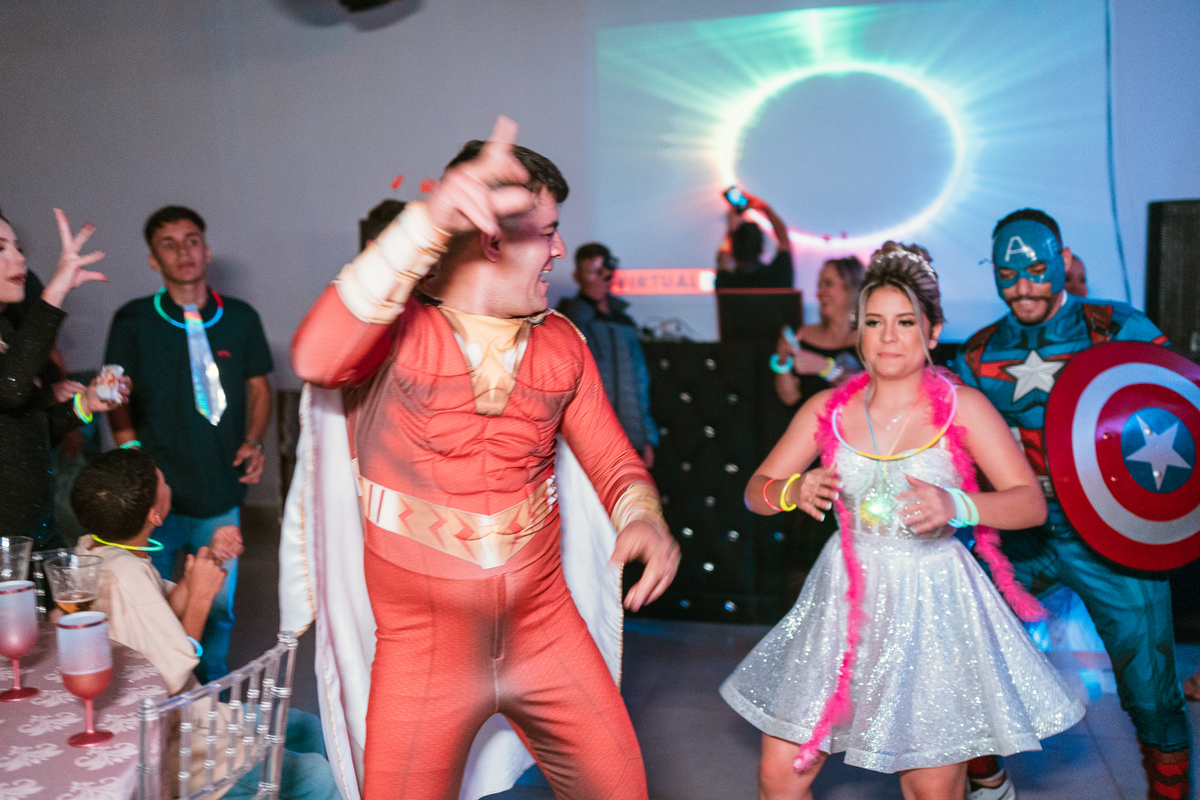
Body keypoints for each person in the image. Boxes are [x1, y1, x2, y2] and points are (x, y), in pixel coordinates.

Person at [290, 117, 680, 800]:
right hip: (423, 652)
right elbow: (316, 357)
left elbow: (616, 463)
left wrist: (643, 516)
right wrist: (429, 219)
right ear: (493, 237)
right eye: (549, 231)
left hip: (546, 632)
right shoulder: (393, 334)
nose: (559, 250)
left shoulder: (563, 343)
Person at [720, 242, 1083, 800]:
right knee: (780, 775)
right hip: (842, 601)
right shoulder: (826, 411)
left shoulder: (964, 407)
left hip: (933, 602)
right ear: (859, 333)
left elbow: (1029, 503)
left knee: (930, 789)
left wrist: (958, 506)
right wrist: (792, 489)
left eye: (905, 322)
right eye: (874, 322)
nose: (888, 336)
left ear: (932, 333)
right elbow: (754, 492)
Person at [955, 208, 1188, 800]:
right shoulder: (979, 354)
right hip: (1017, 530)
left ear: (1062, 260)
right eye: (1007, 275)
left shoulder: (1115, 326)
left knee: (1152, 690)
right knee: (957, 658)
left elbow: (1178, 406)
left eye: (1036, 269)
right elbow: (952, 446)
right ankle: (987, 783)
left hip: (1111, 529)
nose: (1023, 287)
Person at [70, 448, 338, 800]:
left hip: (195, 716)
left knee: (306, 727)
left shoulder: (97, 550)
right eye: (163, 481)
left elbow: (157, 614)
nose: (168, 484)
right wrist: (200, 598)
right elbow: (167, 678)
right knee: (320, 778)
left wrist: (206, 562)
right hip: (180, 746)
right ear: (155, 515)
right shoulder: (125, 577)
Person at [104, 205, 273, 684]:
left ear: (207, 250)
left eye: (192, 240)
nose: (184, 252)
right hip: (153, 497)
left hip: (219, 489)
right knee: (149, 607)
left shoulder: (240, 317)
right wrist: (132, 454)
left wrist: (254, 440)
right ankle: (154, 701)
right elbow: (115, 393)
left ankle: (211, 699)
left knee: (216, 608)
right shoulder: (134, 319)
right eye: (169, 244)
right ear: (153, 259)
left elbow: (259, 387)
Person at [0, 208, 129, 549]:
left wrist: (85, 404)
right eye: (0, 248)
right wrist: (55, 291)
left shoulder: (9, 331)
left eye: (17, 248)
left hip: (35, 534)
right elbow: (9, 389)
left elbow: (27, 431)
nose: (19, 258)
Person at [556, 242, 658, 467]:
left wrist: (646, 438)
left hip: (630, 436)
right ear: (577, 276)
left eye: (603, 271)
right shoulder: (570, 317)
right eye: (592, 272)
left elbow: (640, 383)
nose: (601, 278)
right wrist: (587, 300)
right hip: (586, 439)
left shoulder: (625, 322)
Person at [772, 255, 865, 407]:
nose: (820, 292)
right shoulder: (804, 334)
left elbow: (865, 393)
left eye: (828, 284)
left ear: (852, 288)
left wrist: (824, 367)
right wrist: (783, 360)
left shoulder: (868, 339)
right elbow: (789, 398)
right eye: (819, 285)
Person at [715, 191, 794, 288]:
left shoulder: (726, 283)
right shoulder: (779, 278)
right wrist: (765, 209)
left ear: (732, 252)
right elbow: (784, 240)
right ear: (761, 248)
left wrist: (731, 231)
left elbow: (722, 258)